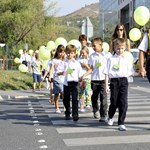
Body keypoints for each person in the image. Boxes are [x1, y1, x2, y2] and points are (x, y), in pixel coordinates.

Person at [104, 38, 134, 131]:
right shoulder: (110, 59)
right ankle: (110, 116)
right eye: (118, 48)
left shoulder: (126, 59)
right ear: (114, 48)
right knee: (114, 101)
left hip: (124, 81)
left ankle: (121, 122)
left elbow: (130, 72)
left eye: (122, 48)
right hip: (114, 81)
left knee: (123, 102)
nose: (120, 50)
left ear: (124, 48)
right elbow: (106, 73)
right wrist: (106, 85)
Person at [82, 37, 110, 122]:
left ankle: (103, 114)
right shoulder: (92, 56)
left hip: (103, 80)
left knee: (103, 98)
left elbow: (110, 68)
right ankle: (95, 110)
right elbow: (91, 68)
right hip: (94, 80)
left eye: (95, 46)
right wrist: (84, 75)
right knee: (94, 98)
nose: (93, 48)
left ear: (100, 44)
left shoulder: (107, 55)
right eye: (92, 46)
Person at [61, 44, 83, 121]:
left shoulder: (76, 63)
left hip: (74, 83)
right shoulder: (63, 62)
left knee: (74, 99)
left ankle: (75, 114)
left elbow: (80, 73)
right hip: (66, 83)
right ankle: (67, 112)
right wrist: (62, 73)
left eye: (71, 53)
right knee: (66, 99)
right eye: (68, 53)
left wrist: (81, 79)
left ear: (74, 54)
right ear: (66, 53)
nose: (70, 54)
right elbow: (60, 72)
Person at [49, 45, 65, 113]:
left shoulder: (65, 60)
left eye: (63, 52)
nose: (61, 54)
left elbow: (69, 69)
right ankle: (57, 107)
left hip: (64, 78)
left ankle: (65, 106)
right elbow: (52, 69)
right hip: (56, 78)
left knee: (64, 93)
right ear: (57, 52)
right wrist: (50, 76)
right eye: (60, 52)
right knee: (57, 93)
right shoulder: (54, 60)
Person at [77, 46, 92, 112]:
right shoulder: (79, 59)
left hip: (87, 78)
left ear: (87, 53)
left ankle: (88, 103)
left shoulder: (89, 59)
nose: (82, 54)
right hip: (81, 78)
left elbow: (91, 69)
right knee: (81, 92)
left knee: (87, 90)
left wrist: (85, 65)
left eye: (84, 53)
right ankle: (81, 105)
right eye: (81, 53)